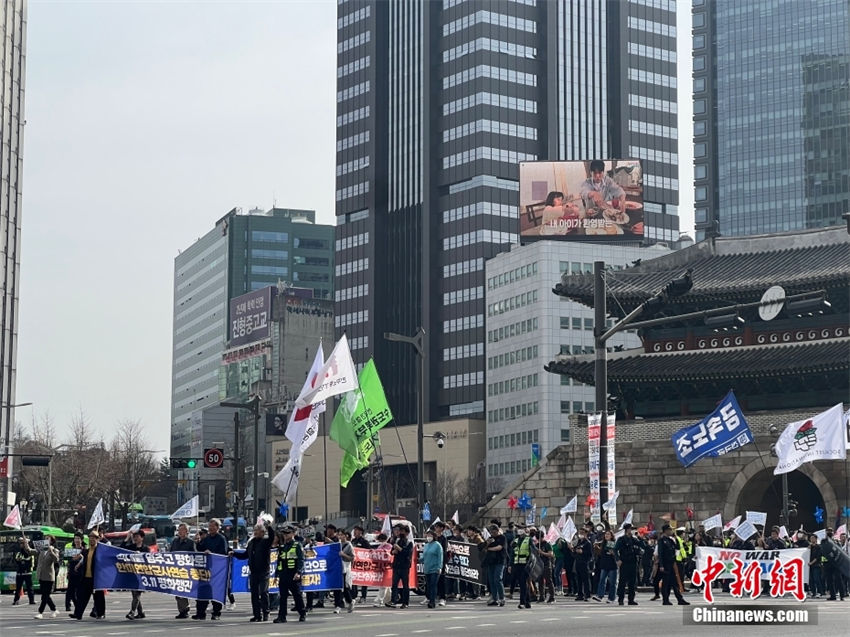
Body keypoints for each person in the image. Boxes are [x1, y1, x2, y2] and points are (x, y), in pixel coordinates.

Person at [231, 521, 274, 622]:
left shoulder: (265, 542)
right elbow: (245, 554)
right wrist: (234, 553)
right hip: (253, 572)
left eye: (258, 530)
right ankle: (257, 615)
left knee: (263, 592)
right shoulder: (251, 543)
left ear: (263, 532)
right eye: (254, 530)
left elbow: (272, 537)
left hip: (264, 571)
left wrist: (269, 527)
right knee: (254, 594)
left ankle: (266, 612)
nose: (255, 532)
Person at [193, 519, 228, 620]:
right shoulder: (207, 538)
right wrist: (198, 542)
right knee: (202, 590)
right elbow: (200, 548)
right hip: (205, 569)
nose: (211, 528)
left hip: (217, 570)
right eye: (209, 527)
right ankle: (200, 612)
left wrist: (211, 553)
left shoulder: (221, 539)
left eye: (213, 526)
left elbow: (223, 553)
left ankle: (216, 613)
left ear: (217, 527)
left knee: (216, 592)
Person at [69, 530, 106, 620]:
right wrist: (78, 564)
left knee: (98, 597)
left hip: (96, 578)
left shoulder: (100, 551)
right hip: (85, 577)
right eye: (90, 538)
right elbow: (84, 559)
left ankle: (100, 613)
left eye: (93, 538)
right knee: (81, 596)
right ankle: (78, 614)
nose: (91, 540)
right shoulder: (86, 551)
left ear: (97, 539)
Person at [273, 525, 306, 623]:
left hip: (293, 574)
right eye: (284, 533)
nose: (285, 535)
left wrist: (299, 572)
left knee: (297, 595)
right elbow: (279, 562)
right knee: (282, 596)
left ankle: (302, 613)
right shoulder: (282, 547)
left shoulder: (297, 545)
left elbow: (301, 560)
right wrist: (276, 575)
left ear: (293, 534)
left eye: (287, 533)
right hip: (284, 575)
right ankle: (282, 616)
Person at [658, 525, 689, 606]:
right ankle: (665, 600)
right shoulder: (662, 540)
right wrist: (661, 565)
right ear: (665, 531)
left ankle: (680, 599)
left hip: (672, 564)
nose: (671, 531)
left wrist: (675, 539)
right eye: (670, 530)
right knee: (666, 583)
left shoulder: (671, 540)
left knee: (675, 582)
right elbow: (660, 553)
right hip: (665, 564)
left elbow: (677, 548)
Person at [170, 523, 196, 619]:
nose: (180, 532)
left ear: (187, 531)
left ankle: (185, 609)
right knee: (177, 590)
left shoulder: (190, 542)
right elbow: (170, 554)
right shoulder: (175, 542)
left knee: (184, 589)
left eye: (183, 530)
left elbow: (194, 555)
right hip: (176, 569)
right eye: (179, 530)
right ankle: (181, 610)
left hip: (186, 569)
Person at [34, 535, 60, 619]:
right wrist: (26, 544)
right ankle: (54, 609)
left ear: (51, 541)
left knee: (45, 596)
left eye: (48, 539)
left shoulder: (54, 550)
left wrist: (51, 551)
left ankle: (40, 612)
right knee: (45, 595)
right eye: (45, 538)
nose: (46, 540)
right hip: (41, 575)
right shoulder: (41, 550)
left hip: (49, 576)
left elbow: (56, 560)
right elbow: (31, 551)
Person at [614, 523, 641, 606]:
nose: (632, 530)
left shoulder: (634, 539)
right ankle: (621, 599)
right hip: (624, 562)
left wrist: (640, 538)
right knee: (622, 582)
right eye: (631, 529)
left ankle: (631, 599)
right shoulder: (621, 539)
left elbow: (642, 546)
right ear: (627, 530)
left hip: (633, 562)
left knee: (632, 583)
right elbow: (615, 550)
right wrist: (618, 559)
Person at [125, 529, 149, 620]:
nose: (135, 538)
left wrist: (141, 556)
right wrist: (127, 538)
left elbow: (149, 560)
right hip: (132, 574)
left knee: (136, 594)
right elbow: (121, 548)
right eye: (134, 537)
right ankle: (141, 612)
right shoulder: (131, 547)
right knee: (135, 594)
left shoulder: (145, 548)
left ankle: (132, 612)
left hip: (142, 575)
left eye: (137, 536)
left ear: (142, 538)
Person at [390, 524, 413, 608]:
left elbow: (407, 553)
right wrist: (393, 551)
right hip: (396, 565)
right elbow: (391, 551)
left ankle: (405, 602)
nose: (400, 533)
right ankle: (393, 601)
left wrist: (399, 549)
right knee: (394, 584)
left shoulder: (409, 542)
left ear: (406, 533)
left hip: (404, 566)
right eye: (400, 531)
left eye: (402, 531)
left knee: (405, 585)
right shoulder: (397, 541)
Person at [593, 529, 617, 603]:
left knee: (612, 582)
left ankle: (611, 598)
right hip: (604, 564)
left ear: (611, 536)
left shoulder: (612, 543)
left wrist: (613, 553)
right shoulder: (603, 543)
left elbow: (612, 552)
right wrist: (597, 548)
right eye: (606, 534)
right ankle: (600, 595)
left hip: (612, 565)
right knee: (602, 580)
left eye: (608, 534)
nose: (606, 535)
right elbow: (601, 553)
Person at [484, 523, 506, 607]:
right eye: (491, 532)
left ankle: (501, 597)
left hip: (500, 560)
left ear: (497, 530)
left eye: (493, 531)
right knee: (491, 580)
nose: (492, 533)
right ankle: (494, 597)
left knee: (497, 579)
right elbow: (484, 548)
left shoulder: (502, 538)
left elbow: (499, 547)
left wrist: (490, 548)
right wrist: (487, 544)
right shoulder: (490, 538)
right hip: (491, 561)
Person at [334, 529, 355, 614]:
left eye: (341, 535)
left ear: (345, 535)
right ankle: (346, 602)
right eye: (339, 535)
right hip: (336, 569)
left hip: (344, 569)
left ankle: (340, 605)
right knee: (339, 588)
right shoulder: (336, 544)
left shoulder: (348, 545)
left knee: (342, 588)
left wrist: (343, 555)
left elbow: (352, 558)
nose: (340, 536)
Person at [512, 525, 532, 609]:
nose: (519, 531)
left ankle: (522, 602)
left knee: (523, 583)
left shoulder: (528, 540)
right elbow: (513, 553)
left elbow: (532, 552)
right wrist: (510, 565)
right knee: (522, 584)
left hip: (525, 564)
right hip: (517, 564)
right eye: (518, 529)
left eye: (521, 529)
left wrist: (530, 563)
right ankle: (528, 602)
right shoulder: (516, 540)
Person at [422, 529, 443, 609]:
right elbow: (424, 556)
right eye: (427, 536)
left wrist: (439, 567)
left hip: (435, 569)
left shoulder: (437, 545)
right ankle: (430, 599)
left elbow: (440, 557)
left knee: (433, 585)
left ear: (434, 536)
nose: (428, 537)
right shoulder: (426, 545)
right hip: (427, 568)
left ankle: (432, 602)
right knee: (428, 586)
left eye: (430, 536)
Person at [12, 536, 36, 605]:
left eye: (23, 543)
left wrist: (22, 560)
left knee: (29, 587)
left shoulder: (30, 552)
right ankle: (16, 600)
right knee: (18, 588)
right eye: (20, 543)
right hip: (19, 573)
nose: (21, 545)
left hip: (27, 572)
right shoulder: (19, 553)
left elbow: (28, 560)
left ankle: (31, 600)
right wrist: (19, 560)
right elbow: (16, 560)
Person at [350, 526, 371, 604]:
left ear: (361, 532)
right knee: (353, 580)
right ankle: (354, 595)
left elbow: (369, 551)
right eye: (354, 530)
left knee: (363, 581)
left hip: (362, 565)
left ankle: (363, 596)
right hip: (354, 564)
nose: (355, 532)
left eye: (356, 530)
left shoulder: (364, 542)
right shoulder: (353, 541)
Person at [65, 534, 84, 612]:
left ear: (81, 540)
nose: (76, 540)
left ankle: (78, 608)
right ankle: (70, 605)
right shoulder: (71, 550)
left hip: (80, 574)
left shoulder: (84, 550)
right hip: (72, 573)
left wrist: (80, 557)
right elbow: (68, 561)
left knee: (79, 592)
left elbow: (85, 560)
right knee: (70, 591)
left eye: (78, 538)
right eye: (75, 538)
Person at [573, 528, 593, 602]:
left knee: (586, 580)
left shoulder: (588, 543)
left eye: (582, 533)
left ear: (586, 534)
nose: (581, 534)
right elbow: (574, 552)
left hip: (584, 563)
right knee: (579, 580)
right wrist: (574, 550)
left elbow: (590, 555)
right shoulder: (578, 542)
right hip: (578, 562)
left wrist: (582, 552)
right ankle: (580, 594)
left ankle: (587, 594)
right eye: (580, 532)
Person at [808, 534, 824, 598]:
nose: (812, 540)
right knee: (811, 580)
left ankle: (820, 592)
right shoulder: (809, 547)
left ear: (816, 539)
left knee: (816, 579)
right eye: (811, 538)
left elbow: (818, 557)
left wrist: (811, 562)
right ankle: (813, 592)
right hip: (810, 566)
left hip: (816, 565)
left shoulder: (819, 547)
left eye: (813, 538)